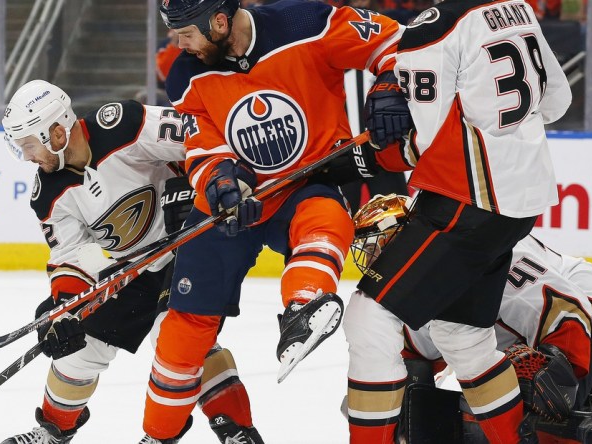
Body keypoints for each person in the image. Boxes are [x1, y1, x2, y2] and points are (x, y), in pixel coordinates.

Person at [140, 0, 403, 442]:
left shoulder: (306, 23)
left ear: (218, 21)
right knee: (184, 329)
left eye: (185, 32)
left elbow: (394, 39)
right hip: (234, 203)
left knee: (327, 220)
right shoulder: (187, 73)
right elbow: (202, 146)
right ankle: (157, 435)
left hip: (306, 184)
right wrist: (221, 181)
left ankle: (304, 304)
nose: (178, 43)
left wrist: (391, 82)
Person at [345, 1, 572, 442]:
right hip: (520, 205)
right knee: (462, 336)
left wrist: (372, 153)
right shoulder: (517, 8)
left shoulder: (429, 29)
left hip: (467, 202)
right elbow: (558, 102)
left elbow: (425, 142)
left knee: (368, 318)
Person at [0, 80, 262, 444]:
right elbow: (71, 255)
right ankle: (54, 430)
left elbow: (200, 138)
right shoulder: (47, 194)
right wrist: (63, 307)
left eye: (29, 145)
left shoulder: (122, 124)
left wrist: (193, 190)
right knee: (81, 349)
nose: (28, 157)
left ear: (56, 132)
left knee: (179, 338)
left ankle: (235, 430)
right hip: (131, 268)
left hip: (190, 246)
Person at [348, 194, 592, 442]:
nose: (374, 261)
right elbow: (415, 361)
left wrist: (564, 377)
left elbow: (565, 307)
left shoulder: (482, 253)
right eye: (367, 252)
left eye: (378, 247)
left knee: (539, 389)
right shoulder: (415, 286)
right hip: (534, 330)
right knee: (416, 401)